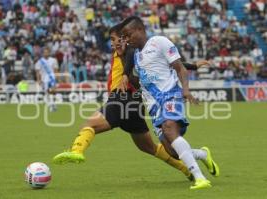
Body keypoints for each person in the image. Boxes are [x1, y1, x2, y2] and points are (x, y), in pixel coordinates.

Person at [53, 24, 195, 181]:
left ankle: (76, 151)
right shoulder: (131, 53)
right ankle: (186, 168)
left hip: (122, 99)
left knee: (90, 125)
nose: (113, 43)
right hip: (134, 104)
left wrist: (125, 65)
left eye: (114, 39)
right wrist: (193, 66)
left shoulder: (130, 52)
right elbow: (165, 62)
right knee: (147, 147)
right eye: (111, 40)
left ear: (124, 39)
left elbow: (135, 58)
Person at [120, 16, 219, 190]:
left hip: (170, 95)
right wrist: (126, 75)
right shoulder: (136, 56)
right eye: (124, 37)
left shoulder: (159, 42)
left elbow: (179, 67)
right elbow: (141, 82)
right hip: (153, 106)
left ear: (140, 30)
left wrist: (185, 89)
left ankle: (200, 178)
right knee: (171, 151)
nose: (127, 40)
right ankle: (202, 154)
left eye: (128, 35)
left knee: (169, 127)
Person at [35, 48, 59, 112]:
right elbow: (37, 71)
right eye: (45, 52)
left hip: (52, 78)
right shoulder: (40, 61)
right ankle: (51, 105)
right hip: (44, 79)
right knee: (47, 92)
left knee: (53, 92)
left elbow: (56, 69)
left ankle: (53, 104)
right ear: (43, 53)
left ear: (49, 53)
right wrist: (38, 80)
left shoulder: (53, 60)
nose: (46, 54)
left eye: (47, 52)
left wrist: (56, 77)